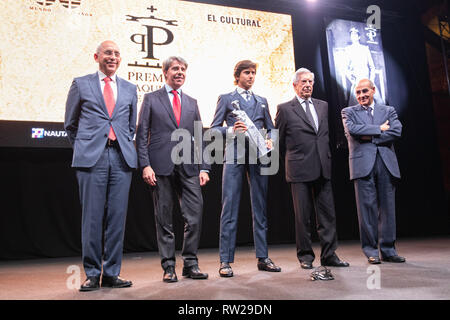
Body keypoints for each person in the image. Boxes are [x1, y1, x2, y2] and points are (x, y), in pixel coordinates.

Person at [64, 40, 137, 291]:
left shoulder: (129, 88)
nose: (113, 57)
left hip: (121, 158)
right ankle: (93, 273)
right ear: (96, 56)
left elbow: (130, 126)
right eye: (108, 53)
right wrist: (86, 147)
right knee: (92, 219)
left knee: (117, 218)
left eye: (117, 53)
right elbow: (70, 125)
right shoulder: (81, 84)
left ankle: (112, 273)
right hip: (92, 158)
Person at [136, 56, 210, 282]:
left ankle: (190, 264)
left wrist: (204, 167)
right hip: (160, 165)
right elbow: (141, 136)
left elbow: (200, 137)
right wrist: (145, 165)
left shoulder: (191, 102)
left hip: (189, 166)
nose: (180, 72)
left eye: (183, 69)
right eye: (175, 69)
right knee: (164, 219)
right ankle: (169, 267)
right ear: (165, 72)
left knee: (195, 217)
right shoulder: (151, 99)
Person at [210, 60, 281, 277]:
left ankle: (263, 257)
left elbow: (272, 128)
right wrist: (231, 129)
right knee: (229, 207)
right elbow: (213, 130)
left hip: (259, 156)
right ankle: (225, 261)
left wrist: (272, 141)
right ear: (238, 75)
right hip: (234, 154)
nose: (251, 76)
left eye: (253, 73)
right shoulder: (226, 98)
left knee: (259, 207)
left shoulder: (262, 101)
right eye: (247, 73)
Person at [275, 68, 349, 270]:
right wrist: (294, 160)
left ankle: (329, 255)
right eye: (303, 81)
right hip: (299, 170)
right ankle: (306, 256)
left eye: (310, 81)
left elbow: (327, 136)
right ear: (295, 85)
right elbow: (278, 143)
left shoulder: (323, 106)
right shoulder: (285, 108)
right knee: (303, 217)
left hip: (323, 168)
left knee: (328, 215)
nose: (307, 85)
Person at [341, 78, 405, 264]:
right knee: (366, 209)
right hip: (362, 164)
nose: (361, 95)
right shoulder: (348, 111)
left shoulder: (388, 110)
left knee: (388, 209)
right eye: (358, 92)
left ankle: (388, 250)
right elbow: (352, 130)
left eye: (364, 91)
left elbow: (396, 131)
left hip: (386, 163)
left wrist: (369, 136)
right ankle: (371, 251)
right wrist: (379, 129)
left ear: (373, 90)